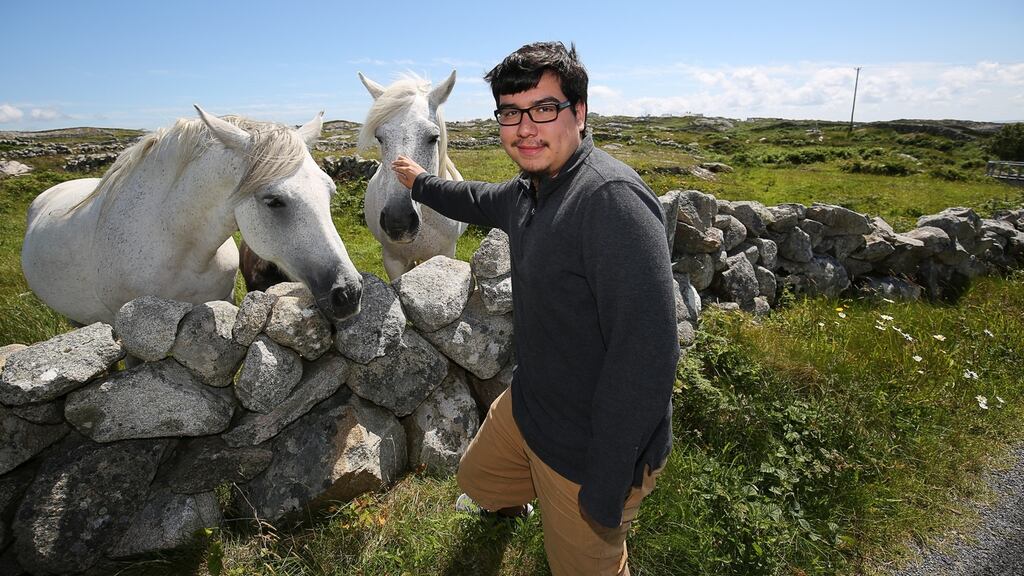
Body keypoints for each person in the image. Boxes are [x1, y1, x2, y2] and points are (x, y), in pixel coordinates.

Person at [391, 41, 680, 576]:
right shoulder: (529, 191)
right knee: (476, 479)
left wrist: (605, 484)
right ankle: (513, 503)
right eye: (510, 112)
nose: (525, 127)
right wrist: (419, 182)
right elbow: (474, 198)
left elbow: (649, 357)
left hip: (588, 446)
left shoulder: (609, 201)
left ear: (581, 112)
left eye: (544, 108)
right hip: (531, 406)